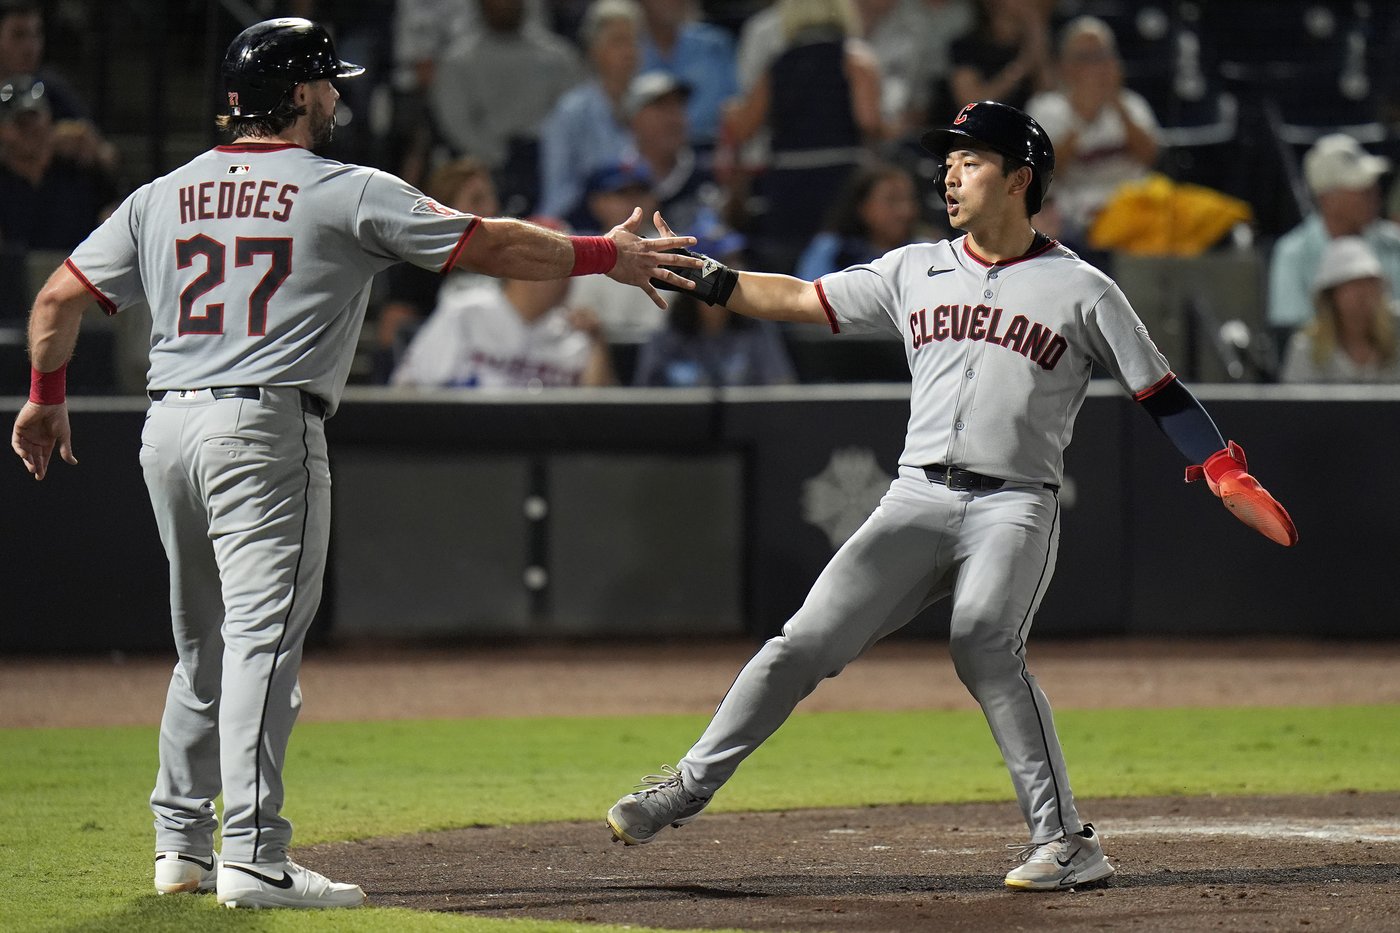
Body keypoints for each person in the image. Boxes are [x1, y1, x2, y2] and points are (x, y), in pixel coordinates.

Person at [9, 17, 697, 910]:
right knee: (261, 643)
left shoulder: (163, 192)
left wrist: (44, 394)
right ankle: (253, 855)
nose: (339, 94)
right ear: (296, 94)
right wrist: (610, 254)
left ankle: (179, 843)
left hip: (167, 429)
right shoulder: (344, 188)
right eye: (327, 82)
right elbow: (487, 243)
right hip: (263, 426)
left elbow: (59, 296)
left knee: (201, 650)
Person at [605, 100, 1297, 891]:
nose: (950, 172)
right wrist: (707, 277)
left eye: (971, 160)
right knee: (801, 643)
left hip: (1015, 506)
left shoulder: (1083, 287)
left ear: (1019, 178)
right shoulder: (912, 268)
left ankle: (1068, 840)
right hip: (914, 499)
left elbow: (1162, 392)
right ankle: (687, 786)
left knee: (982, 640)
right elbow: (800, 299)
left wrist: (1222, 468)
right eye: (950, 160)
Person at [390, 220, 616, 389]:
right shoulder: (466, 311)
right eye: (558, 264)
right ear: (522, 265)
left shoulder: (578, 334)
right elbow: (408, 385)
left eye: (571, 266)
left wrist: (597, 343)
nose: (567, 277)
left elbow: (599, 419)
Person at [1025, 15, 1160, 244]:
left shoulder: (1130, 103)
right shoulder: (1046, 108)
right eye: (1084, 58)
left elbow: (1150, 157)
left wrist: (1115, 102)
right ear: (1065, 66)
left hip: (1137, 205)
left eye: (1101, 56)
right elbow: (1046, 172)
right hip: (1078, 214)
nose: (1095, 66)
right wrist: (1083, 115)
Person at [370, 156, 502, 382]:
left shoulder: (506, 262)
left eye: (491, 197)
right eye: (477, 199)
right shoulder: (420, 263)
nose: (490, 208)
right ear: (447, 209)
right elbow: (392, 335)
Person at [1268, 133, 1400, 338]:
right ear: (1327, 198)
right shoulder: (1293, 254)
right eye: (1360, 187)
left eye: (1372, 185)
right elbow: (1294, 332)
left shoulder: (1395, 243)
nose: (1374, 192)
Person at [537, 0, 644, 221]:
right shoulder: (570, 113)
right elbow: (557, 192)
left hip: (647, 215)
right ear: (594, 50)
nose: (629, 51)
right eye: (618, 41)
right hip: (585, 223)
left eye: (634, 41)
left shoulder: (651, 104)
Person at [0, 74, 118, 253]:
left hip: (78, 275)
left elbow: (117, 208)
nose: (31, 131)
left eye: (35, 121)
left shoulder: (79, 173)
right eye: (21, 124)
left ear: (48, 121)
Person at [1280, 236, 1400, 383]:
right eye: (1353, 284)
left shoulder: (1395, 344)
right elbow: (1293, 403)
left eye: (1370, 283)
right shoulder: (1306, 349)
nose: (1364, 294)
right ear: (1332, 294)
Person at [634, 0, 738, 146]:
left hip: (709, 153)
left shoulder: (714, 46)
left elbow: (735, 111)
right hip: (645, 156)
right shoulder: (626, 50)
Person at [795, 160, 920, 279]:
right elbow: (811, 294)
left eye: (909, 199)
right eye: (892, 200)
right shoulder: (832, 250)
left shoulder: (922, 251)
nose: (905, 210)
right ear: (862, 207)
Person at [945, 0, 1053, 115]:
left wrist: (1036, 33)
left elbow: (1050, 96)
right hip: (981, 126)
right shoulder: (967, 46)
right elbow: (970, 103)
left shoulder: (1043, 42)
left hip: (1026, 125)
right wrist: (1021, 66)